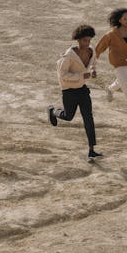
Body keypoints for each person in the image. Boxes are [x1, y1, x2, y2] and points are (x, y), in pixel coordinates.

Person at [48, 24, 103, 163]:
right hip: (69, 91)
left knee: (88, 118)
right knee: (68, 116)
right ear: (78, 40)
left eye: (89, 40)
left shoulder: (91, 51)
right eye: (85, 40)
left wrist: (93, 71)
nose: (87, 43)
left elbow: (93, 63)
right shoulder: (68, 55)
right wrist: (81, 76)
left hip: (83, 90)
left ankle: (91, 150)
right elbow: (62, 75)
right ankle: (53, 111)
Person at [95, 8, 127, 115]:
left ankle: (110, 89)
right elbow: (101, 45)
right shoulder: (112, 34)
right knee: (126, 84)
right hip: (117, 62)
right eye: (125, 19)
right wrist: (95, 56)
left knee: (121, 81)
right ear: (119, 20)